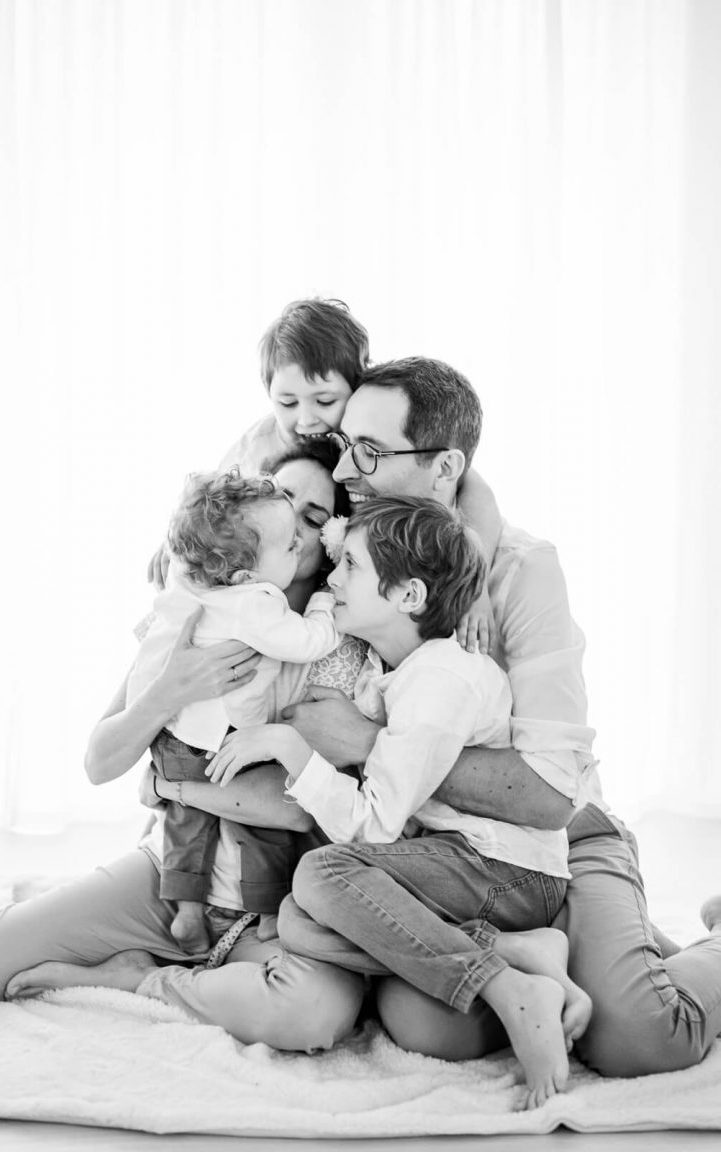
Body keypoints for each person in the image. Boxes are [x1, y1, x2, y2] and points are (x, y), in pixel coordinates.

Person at [272, 357, 721, 1078]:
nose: (347, 468)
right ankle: (528, 957)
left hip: (561, 838)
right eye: (345, 446)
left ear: (445, 467)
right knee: (431, 1027)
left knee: (641, 1038)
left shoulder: (522, 571)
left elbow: (548, 794)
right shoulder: (346, 539)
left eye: (372, 452)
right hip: (447, 853)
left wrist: (365, 741)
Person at [0, 444, 365, 1054]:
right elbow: (100, 762)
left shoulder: (336, 640)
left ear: (334, 533)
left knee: (313, 1016)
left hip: (275, 904)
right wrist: (170, 690)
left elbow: (292, 808)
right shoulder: (192, 621)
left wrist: (173, 786)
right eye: (281, 500)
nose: (293, 527)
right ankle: (163, 950)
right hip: (167, 879)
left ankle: (138, 978)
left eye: (312, 515)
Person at [211, 495, 590, 1108]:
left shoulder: (440, 678)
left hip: (506, 871)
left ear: (409, 596)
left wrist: (290, 746)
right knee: (300, 917)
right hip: (456, 864)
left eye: (351, 566)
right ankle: (510, 953)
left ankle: (507, 986)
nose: (331, 579)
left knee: (322, 874)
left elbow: (374, 827)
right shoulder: (399, 671)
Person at [149, 297, 501, 654]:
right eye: (287, 403)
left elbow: (470, 487)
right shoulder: (259, 446)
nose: (306, 420)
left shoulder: (383, 438)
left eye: (325, 401)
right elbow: (211, 504)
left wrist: (476, 584)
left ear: (357, 385)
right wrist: (182, 541)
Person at [128, 468, 339, 952]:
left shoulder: (191, 579)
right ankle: (267, 909)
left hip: (176, 733)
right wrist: (324, 604)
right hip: (231, 738)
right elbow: (307, 642)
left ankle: (185, 910)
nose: (300, 546)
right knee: (260, 827)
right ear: (246, 575)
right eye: (288, 546)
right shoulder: (257, 603)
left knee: (186, 821)